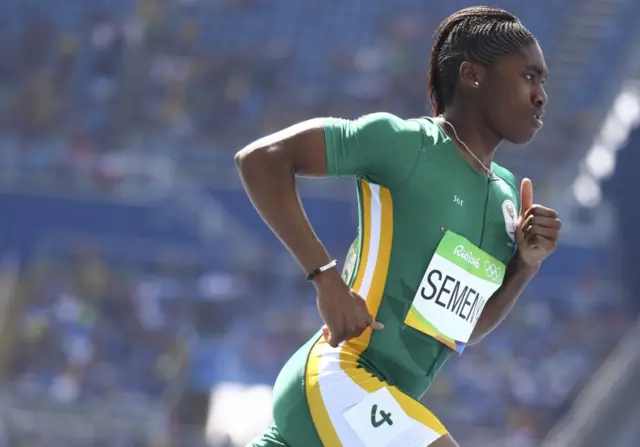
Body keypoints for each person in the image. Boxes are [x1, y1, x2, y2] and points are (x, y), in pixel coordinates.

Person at [235, 6, 561, 447]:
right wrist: (326, 280)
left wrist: (526, 265)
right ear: (472, 75)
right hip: (340, 375)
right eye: (528, 77)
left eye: (543, 82)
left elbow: (462, 328)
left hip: (373, 407)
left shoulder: (506, 196)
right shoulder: (405, 145)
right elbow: (262, 160)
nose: (541, 96)